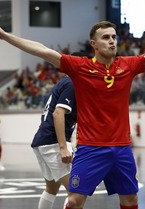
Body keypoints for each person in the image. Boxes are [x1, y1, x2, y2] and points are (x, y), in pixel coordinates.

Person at [0, 17, 145, 209]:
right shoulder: (79, 67)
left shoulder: (127, 65)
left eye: (114, 37)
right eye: (106, 37)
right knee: (74, 201)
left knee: (130, 198)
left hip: (121, 148)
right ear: (94, 44)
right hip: (90, 148)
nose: (112, 41)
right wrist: (5, 36)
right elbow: (42, 50)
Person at [31, 52, 85, 209]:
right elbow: (58, 113)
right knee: (75, 194)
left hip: (42, 141)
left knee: (51, 189)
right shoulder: (73, 84)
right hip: (53, 142)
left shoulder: (64, 83)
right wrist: (63, 147)